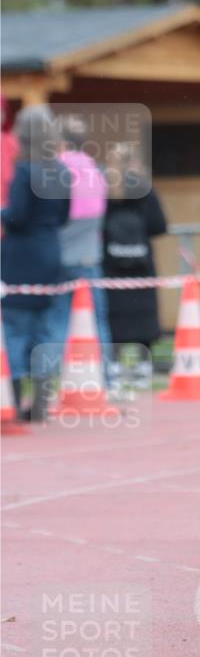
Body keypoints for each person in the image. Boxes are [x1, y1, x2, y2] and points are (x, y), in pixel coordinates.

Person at [1, 104, 71, 421]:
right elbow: (64, 216)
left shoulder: (25, 171)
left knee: (15, 329)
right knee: (45, 331)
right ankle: (41, 404)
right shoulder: (61, 171)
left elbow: (16, 216)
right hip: (51, 252)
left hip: (21, 257)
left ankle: (13, 403)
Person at [50, 114, 112, 366]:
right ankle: (105, 377)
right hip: (90, 256)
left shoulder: (55, 169)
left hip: (60, 256)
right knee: (96, 320)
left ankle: (53, 379)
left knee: (58, 321)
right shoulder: (96, 170)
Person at [102, 143, 167, 383]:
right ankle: (142, 366)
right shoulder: (144, 189)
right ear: (134, 162)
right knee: (143, 313)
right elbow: (160, 225)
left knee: (115, 313)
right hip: (141, 264)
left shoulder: (106, 189)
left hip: (111, 265)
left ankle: (116, 366)